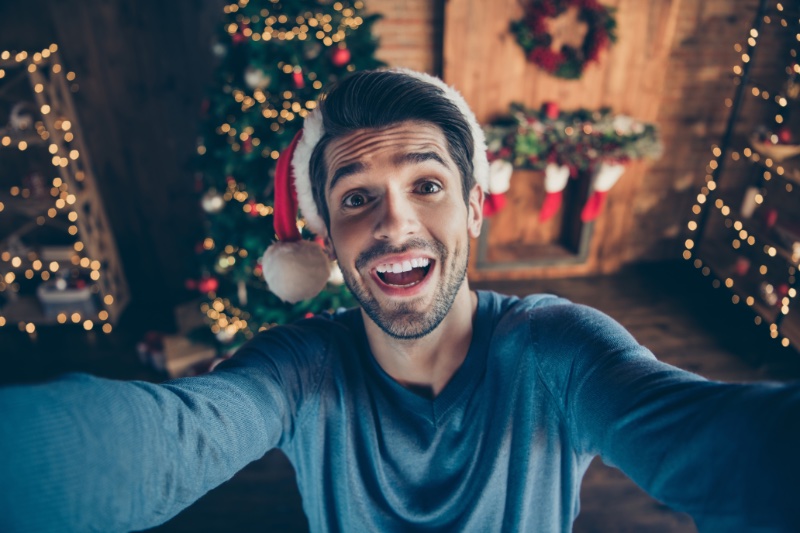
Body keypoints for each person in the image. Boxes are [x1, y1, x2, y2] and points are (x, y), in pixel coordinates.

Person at [1, 68, 799, 533]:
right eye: (356, 198)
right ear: (325, 241)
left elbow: (723, 444)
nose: (393, 223)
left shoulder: (562, 352)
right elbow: (165, 439)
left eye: (426, 184)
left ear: (475, 205)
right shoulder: (301, 366)